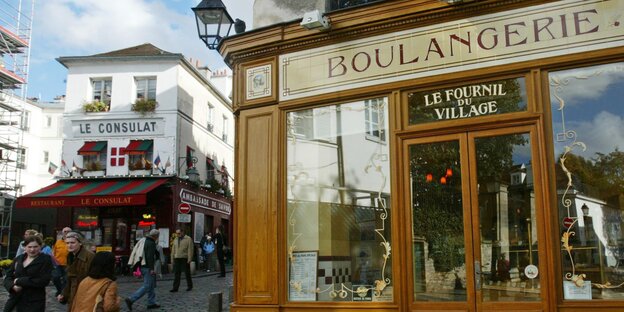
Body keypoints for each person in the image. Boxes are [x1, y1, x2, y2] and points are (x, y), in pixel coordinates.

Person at [3, 235, 54, 312]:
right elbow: (8, 277)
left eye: (35, 247)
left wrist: (19, 281)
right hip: (15, 299)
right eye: (29, 247)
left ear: (40, 246)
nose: (32, 249)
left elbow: (44, 280)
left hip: (34, 301)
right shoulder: (18, 259)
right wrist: (12, 286)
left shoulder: (45, 260)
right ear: (25, 247)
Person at [57, 232, 95, 310]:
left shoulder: (90, 257)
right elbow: (70, 279)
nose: (69, 245)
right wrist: (64, 294)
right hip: (73, 295)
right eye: (67, 243)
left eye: (72, 243)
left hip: (86, 295)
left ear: (80, 243)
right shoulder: (70, 256)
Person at [126, 229, 161, 310]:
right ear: (156, 236)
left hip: (142, 265)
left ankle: (151, 302)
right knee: (147, 285)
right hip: (147, 267)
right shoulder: (151, 243)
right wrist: (152, 268)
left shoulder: (143, 240)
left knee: (151, 285)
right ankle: (131, 299)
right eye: (157, 236)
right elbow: (150, 257)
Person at [52, 227, 71, 296]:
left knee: (66, 280)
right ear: (62, 233)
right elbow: (53, 253)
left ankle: (63, 293)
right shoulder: (58, 242)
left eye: (68, 231)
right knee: (55, 278)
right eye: (65, 231)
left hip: (68, 265)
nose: (66, 233)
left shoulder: (72, 242)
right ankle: (59, 290)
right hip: (58, 264)